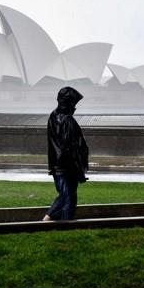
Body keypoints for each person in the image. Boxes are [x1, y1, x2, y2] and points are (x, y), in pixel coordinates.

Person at [42, 86, 89, 221]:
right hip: (68, 166)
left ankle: (48, 219)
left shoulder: (53, 116)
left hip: (58, 165)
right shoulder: (68, 121)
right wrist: (79, 170)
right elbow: (73, 147)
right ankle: (65, 224)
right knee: (69, 197)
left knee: (65, 194)